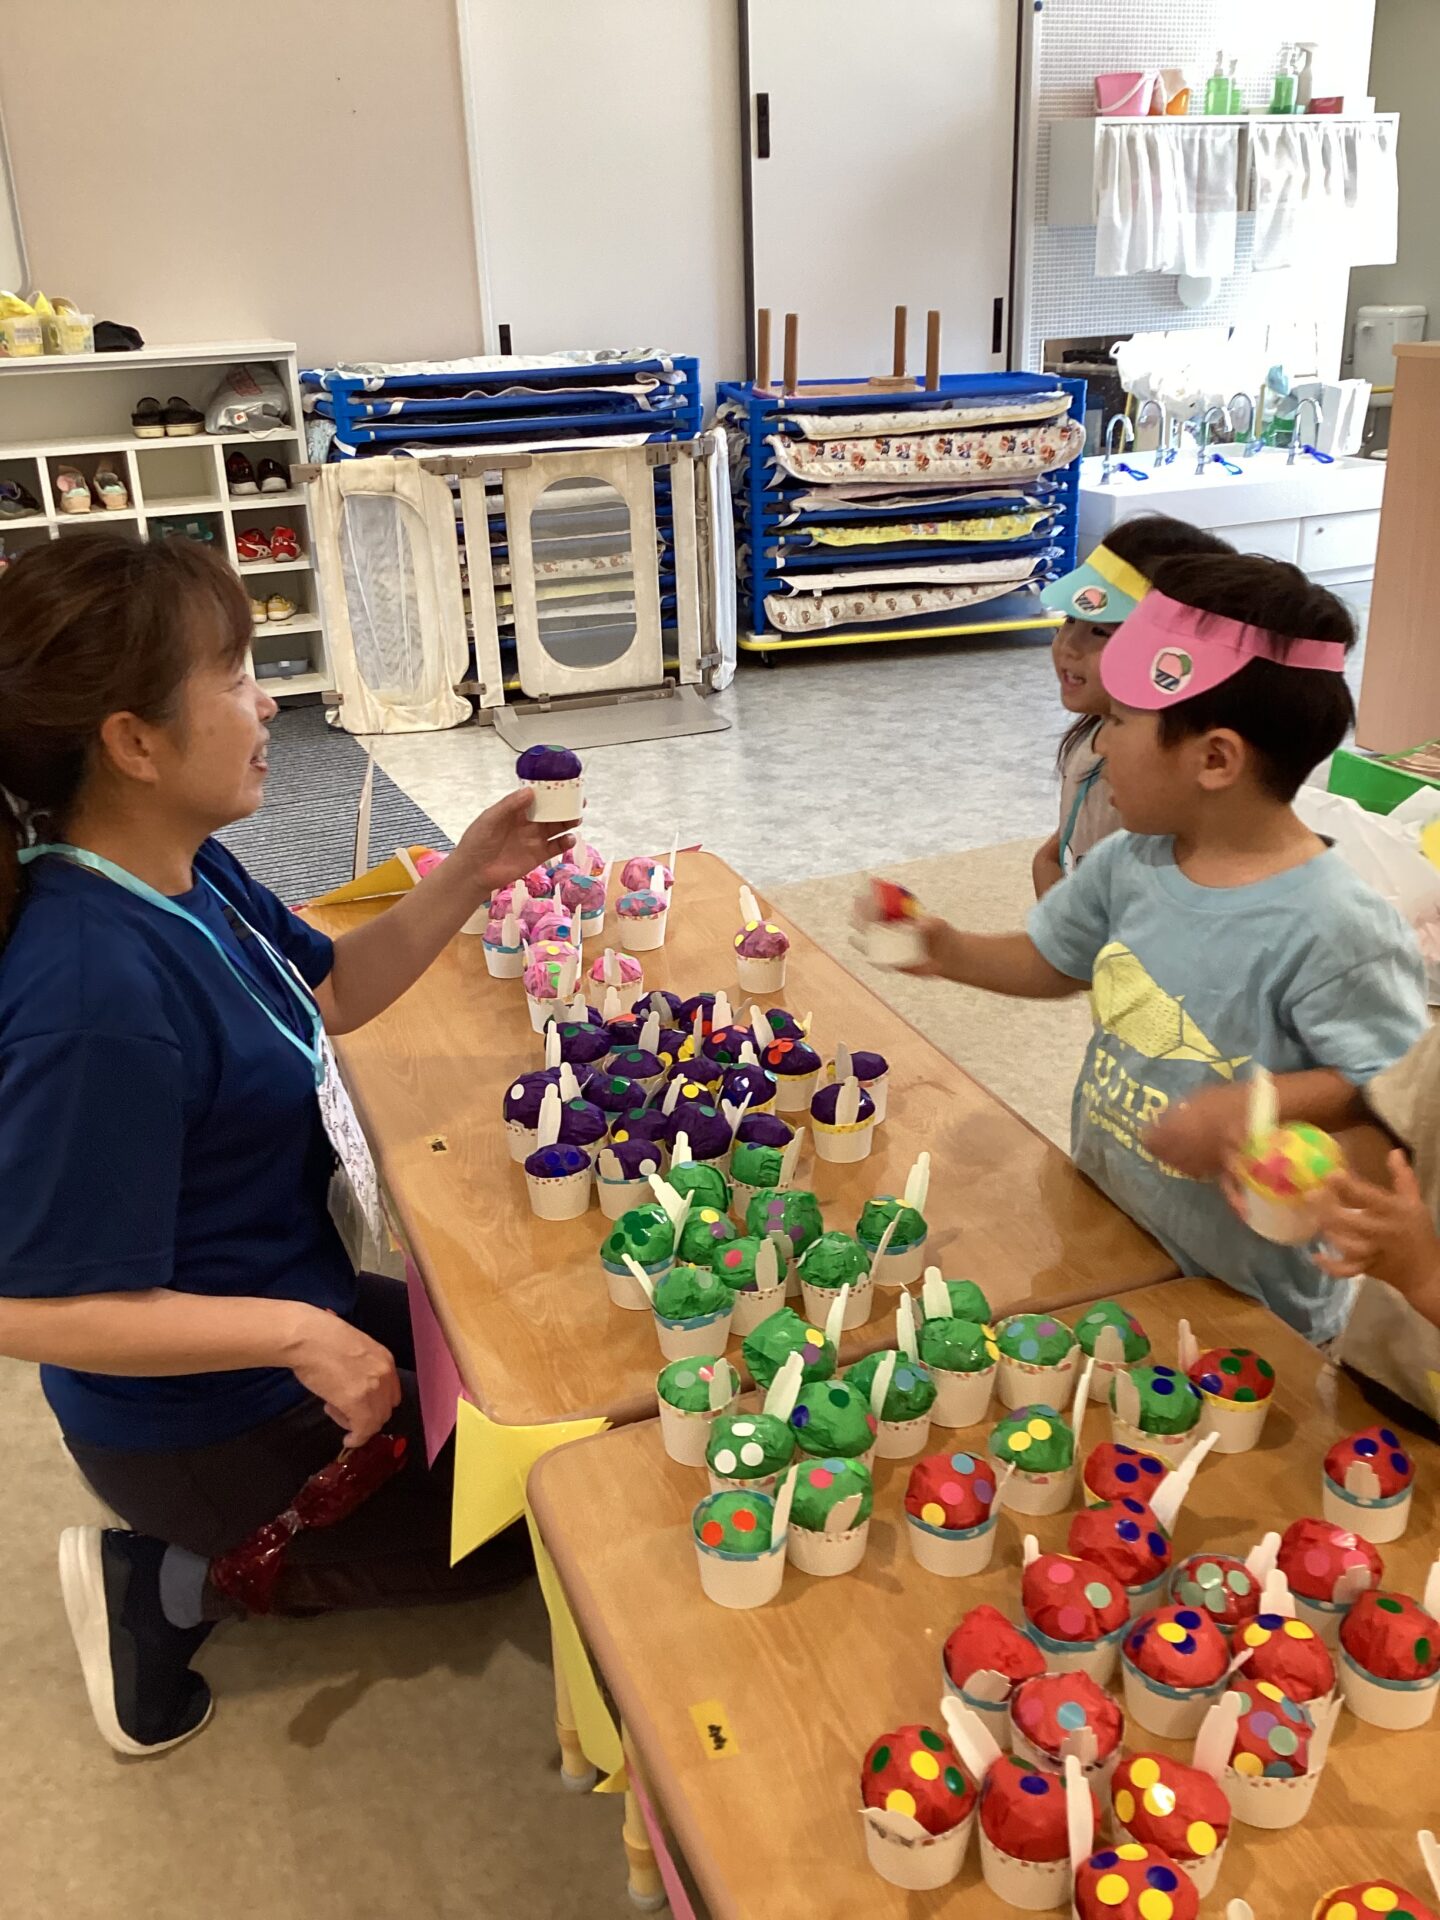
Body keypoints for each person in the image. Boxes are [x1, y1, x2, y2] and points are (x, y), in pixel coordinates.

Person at [0, 534, 576, 1755]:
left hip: (284, 1292)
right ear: (134, 742)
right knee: (551, 1520)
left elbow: (335, 991)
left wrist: (472, 873)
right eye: (235, 675)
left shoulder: (179, 868)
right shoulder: (94, 995)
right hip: (207, 1417)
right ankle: (163, 1583)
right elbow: (25, 1306)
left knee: (543, 1378)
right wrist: (302, 1336)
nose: (268, 704)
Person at [897, 551, 1428, 1345]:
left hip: (1247, 1304)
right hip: (1110, 1227)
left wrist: (1260, 1112)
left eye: (1118, 722)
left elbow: (1391, 1101)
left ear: (1216, 759)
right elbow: (1055, 959)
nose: (1100, 745)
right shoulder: (1131, 860)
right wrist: (950, 949)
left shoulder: (1339, 928)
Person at [1032, 514, 1234, 897]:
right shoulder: (1093, 732)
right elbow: (1065, 844)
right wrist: (1049, 880)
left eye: (1100, 631)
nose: (1068, 646)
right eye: (1070, 620)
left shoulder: (1156, 778)